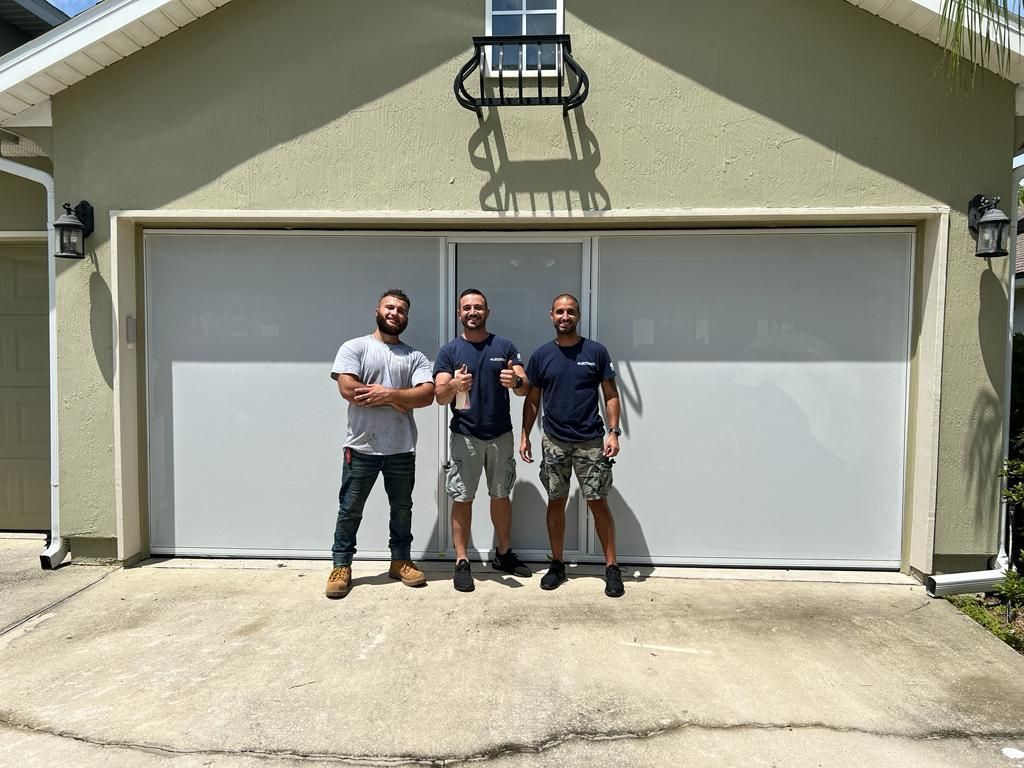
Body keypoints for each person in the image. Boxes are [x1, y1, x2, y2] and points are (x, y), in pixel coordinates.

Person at [325, 289, 436, 599]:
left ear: (406, 317)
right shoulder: (355, 347)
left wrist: (387, 395)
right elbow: (349, 388)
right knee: (350, 509)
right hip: (362, 447)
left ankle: (400, 561)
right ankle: (341, 565)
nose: (394, 313)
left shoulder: (414, 357)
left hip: (401, 447)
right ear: (378, 309)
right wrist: (402, 399)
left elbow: (427, 395)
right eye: (390, 307)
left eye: (401, 310)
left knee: (402, 509)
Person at [520, 293, 625, 598]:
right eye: (559, 312)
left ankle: (611, 567)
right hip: (553, 441)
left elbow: (611, 395)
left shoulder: (596, 351)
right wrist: (525, 433)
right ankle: (557, 565)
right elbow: (533, 398)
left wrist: (613, 432)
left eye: (570, 312)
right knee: (556, 501)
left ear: (578, 316)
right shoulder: (541, 356)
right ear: (551, 316)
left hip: (591, 441)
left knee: (597, 502)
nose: (565, 316)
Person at [434, 289, 532, 592]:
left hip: (500, 435)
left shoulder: (504, 345)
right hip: (466, 436)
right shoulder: (449, 351)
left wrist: (515, 381)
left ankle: (503, 554)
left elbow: (524, 385)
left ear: (487, 312)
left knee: (501, 495)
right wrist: (453, 384)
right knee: (463, 498)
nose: (473, 311)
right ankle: (462, 561)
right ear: (459, 314)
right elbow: (439, 396)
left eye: (478, 307)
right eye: (467, 307)